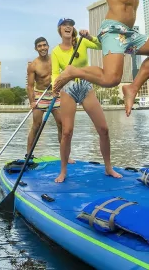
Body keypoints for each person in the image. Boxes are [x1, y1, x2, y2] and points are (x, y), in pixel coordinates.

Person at [51, 18, 122, 183]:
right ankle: (63, 171)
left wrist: (90, 37)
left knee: (103, 129)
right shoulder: (55, 52)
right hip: (68, 90)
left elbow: (101, 46)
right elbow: (55, 73)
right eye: (64, 25)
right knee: (67, 132)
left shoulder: (81, 43)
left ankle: (108, 167)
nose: (68, 27)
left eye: (70, 25)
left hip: (85, 87)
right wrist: (55, 87)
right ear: (60, 29)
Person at [26, 36, 66, 158]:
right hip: (40, 95)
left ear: (48, 46)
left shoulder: (55, 59)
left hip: (55, 94)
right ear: (36, 48)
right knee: (36, 125)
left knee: (61, 124)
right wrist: (32, 102)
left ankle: (64, 154)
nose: (42, 48)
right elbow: (30, 86)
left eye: (44, 45)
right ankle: (29, 155)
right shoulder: (33, 65)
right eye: (39, 46)